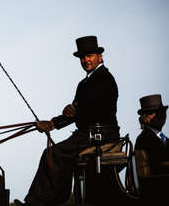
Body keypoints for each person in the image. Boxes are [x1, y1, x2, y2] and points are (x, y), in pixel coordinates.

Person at [16, 35, 120, 206]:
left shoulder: (104, 78)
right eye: (82, 57)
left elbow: (93, 107)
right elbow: (75, 112)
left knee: (53, 154)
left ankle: (39, 203)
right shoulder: (84, 83)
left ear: (99, 57)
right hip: (87, 134)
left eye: (89, 56)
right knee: (54, 154)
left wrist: (65, 116)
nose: (86, 60)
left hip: (100, 133)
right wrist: (51, 124)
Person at [135, 94, 169, 174]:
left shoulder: (158, 135)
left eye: (158, 112)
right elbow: (160, 159)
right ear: (145, 117)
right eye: (151, 113)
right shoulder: (146, 137)